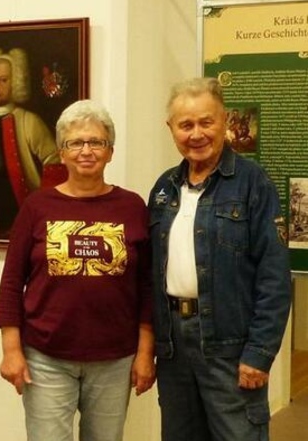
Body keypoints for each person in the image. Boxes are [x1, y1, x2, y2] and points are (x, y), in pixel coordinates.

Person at [0, 99, 154, 441]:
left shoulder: (132, 206)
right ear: (61, 153)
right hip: (45, 356)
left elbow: (147, 286)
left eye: (96, 142)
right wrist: (11, 350)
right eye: (75, 143)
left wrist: (145, 352)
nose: (86, 151)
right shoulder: (37, 206)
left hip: (114, 357)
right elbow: (11, 282)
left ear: (110, 151)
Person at [148, 77, 291, 441]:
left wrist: (260, 353)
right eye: (186, 125)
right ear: (171, 129)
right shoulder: (164, 189)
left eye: (206, 122)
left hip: (230, 346)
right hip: (174, 349)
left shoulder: (253, 183)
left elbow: (274, 277)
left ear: (225, 121)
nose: (196, 134)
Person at [0, 48, 61, 238]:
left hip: (21, 213)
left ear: (16, 82)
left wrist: (43, 209)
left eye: (3, 80)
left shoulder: (29, 121)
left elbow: (54, 163)